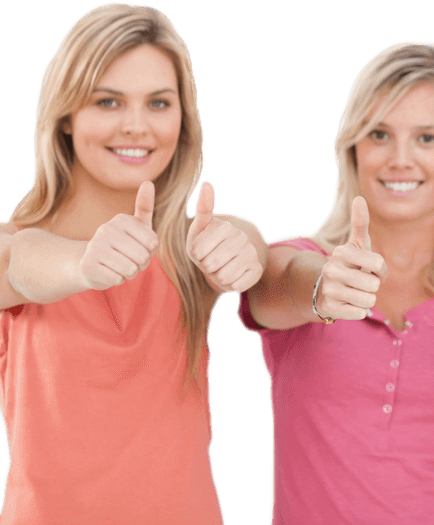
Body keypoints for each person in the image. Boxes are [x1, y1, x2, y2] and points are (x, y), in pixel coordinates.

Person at [240, 41, 434, 523]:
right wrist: (323, 287)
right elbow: (278, 287)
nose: (400, 159)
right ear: (353, 147)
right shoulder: (296, 262)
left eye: (426, 138)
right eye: (380, 134)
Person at [0, 3, 267, 523]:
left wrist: (246, 251)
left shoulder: (195, 245)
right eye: (108, 101)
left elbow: (253, 246)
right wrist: (83, 264)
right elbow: (18, 265)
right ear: (67, 116)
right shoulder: (16, 245)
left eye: (159, 103)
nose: (136, 126)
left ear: (183, 120)